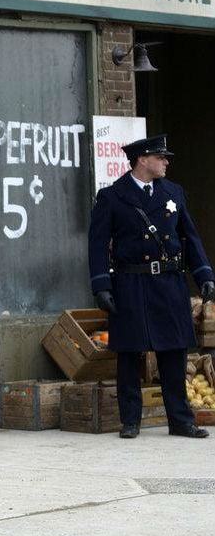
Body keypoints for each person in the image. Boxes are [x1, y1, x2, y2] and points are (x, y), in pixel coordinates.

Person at [89, 134, 213, 439]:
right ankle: (130, 420)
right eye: (161, 157)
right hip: (130, 283)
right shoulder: (113, 196)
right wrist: (101, 285)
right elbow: (97, 244)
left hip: (169, 283)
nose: (166, 162)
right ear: (142, 159)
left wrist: (204, 275)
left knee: (174, 353)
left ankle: (180, 420)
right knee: (130, 354)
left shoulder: (174, 192)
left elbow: (190, 237)